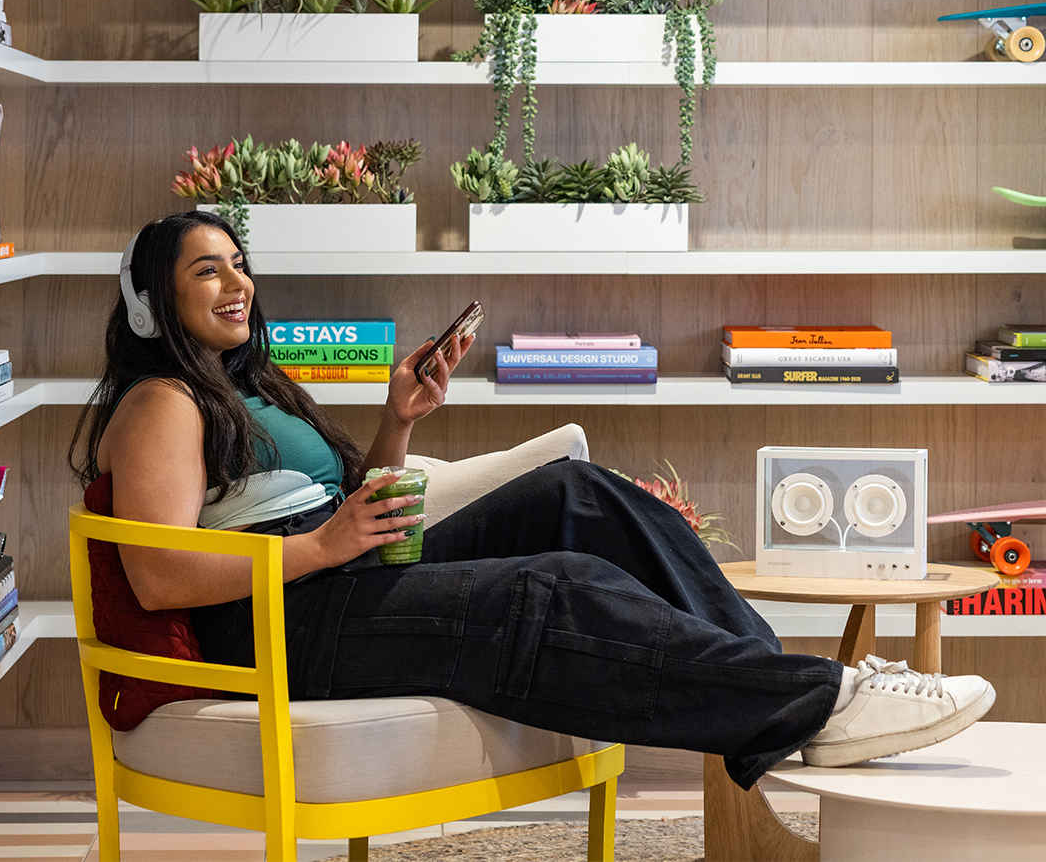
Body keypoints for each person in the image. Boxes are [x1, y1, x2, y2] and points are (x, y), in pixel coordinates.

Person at [69, 211, 995, 790]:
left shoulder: (253, 389)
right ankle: (822, 701)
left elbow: (352, 502)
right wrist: (321, 548)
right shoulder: (161, 404)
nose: (238, 284)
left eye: (238, 263)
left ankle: (786, 693)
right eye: (207, 272)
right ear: (155, 302)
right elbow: (157, 573)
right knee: (550, 588)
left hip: (336, 574)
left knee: (577, 495)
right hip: (278, 617)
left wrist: (399, 422)